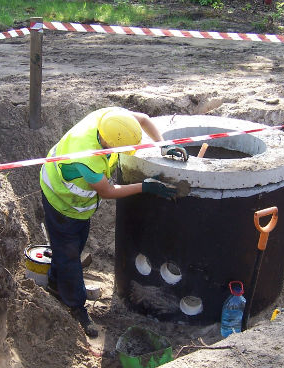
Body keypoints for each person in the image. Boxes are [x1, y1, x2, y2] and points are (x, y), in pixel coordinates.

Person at [39, 107, 187, 337]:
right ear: (109, 144)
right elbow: (107, 191)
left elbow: (145, 119)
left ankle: (58, 283)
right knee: (68, 254)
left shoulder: (114, 119)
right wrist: (146, 186)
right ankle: (76, 305)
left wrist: (163, 144)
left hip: (79, 207)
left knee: (72, 249)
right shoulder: (88, 157)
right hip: (61, 201)